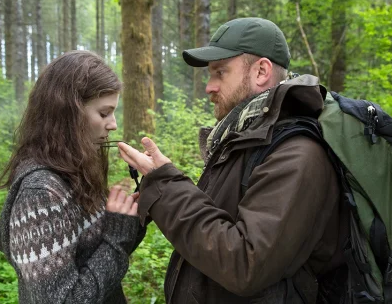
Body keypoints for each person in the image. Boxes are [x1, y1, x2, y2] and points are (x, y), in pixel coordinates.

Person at [118, 17, 350, 303]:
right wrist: (167, 179)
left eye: (220, 72)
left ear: (261, 71)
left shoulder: (297, 154)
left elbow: (245, 264)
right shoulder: (246, 142)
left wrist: (167, 187)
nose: (209, 87)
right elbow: (218, 227)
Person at [0, 50, 145, 303]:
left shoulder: (74, 170)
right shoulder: (41, 193)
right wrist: (117, 235)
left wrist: (134, 218)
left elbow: (97, 253)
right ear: (69, 113)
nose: (113, 125)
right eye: (104, 113)